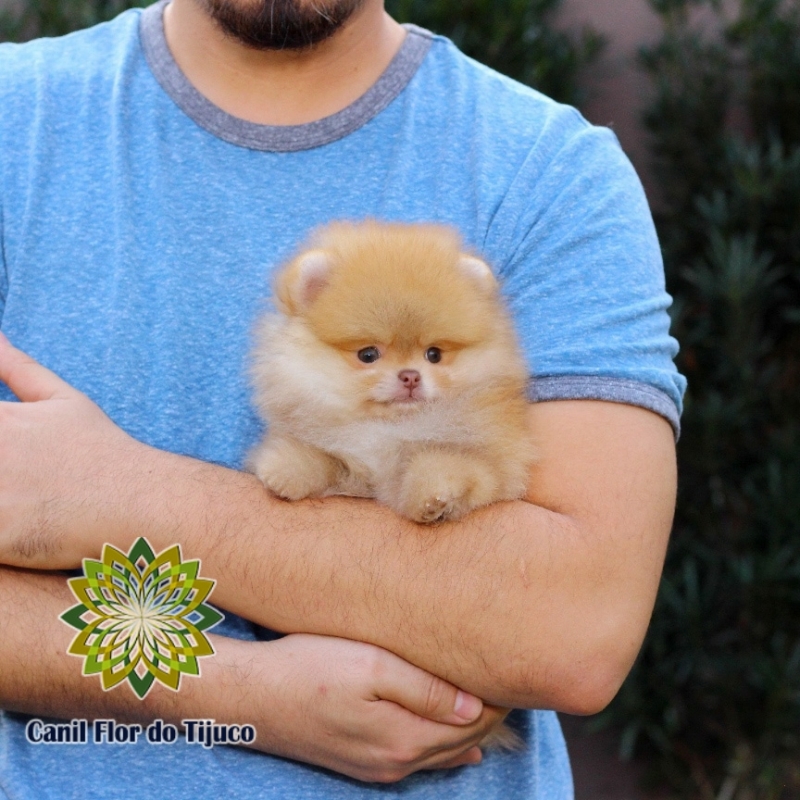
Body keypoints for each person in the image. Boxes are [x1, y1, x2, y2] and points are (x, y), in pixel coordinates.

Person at [0, 0, 685, 797]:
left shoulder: (548, 171)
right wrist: (237, 692)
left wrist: (122, 496)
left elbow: (575, 628)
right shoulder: (17, 122)